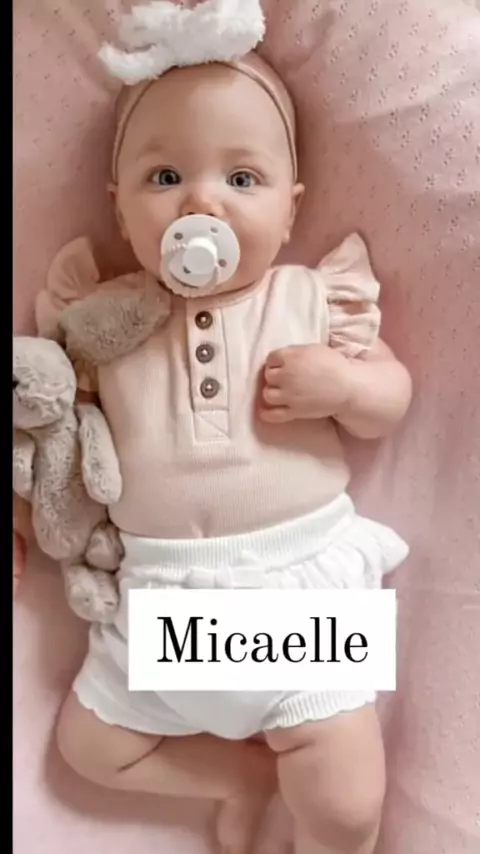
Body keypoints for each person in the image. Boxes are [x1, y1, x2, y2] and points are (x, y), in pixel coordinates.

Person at [27, 2, 413, 851]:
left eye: (242, 179)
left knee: (346, 800)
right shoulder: (102, 323)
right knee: (88, 748)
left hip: (293, 580)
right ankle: (235, 777)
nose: (202, 199)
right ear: (120, 210)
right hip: (157, 594)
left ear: (290, 210)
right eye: (165, 176)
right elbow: (54, 433)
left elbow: (392, 399)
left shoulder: (311, 298)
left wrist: (346, 385)